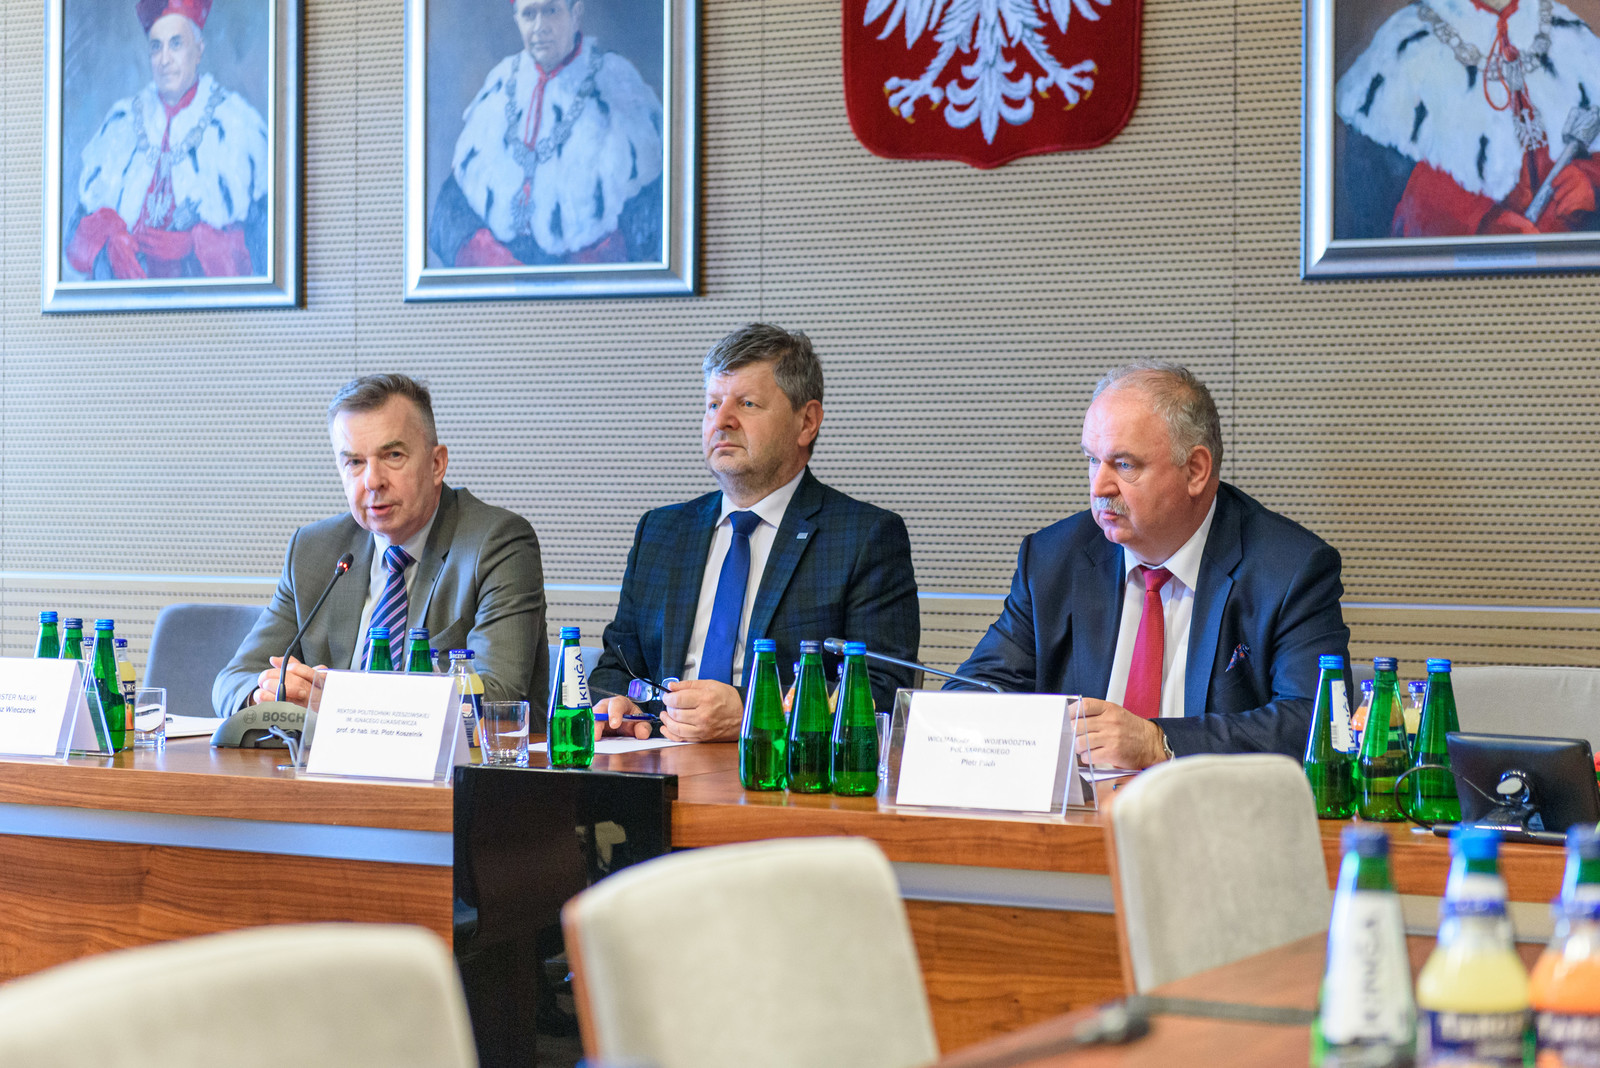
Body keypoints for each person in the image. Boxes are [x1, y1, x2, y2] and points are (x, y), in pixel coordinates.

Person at [949, 362, 1350, 769]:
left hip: (1213, 805)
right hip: (1081, 806)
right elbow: (972, 694)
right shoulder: (1054, 559)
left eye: (1125, 465)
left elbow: (1316, 722)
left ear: (1195, 470)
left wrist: (1159, 742)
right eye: (1092, 460)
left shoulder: (1289, 570)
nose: (1099, 487)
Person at [590, 324, 921, 742]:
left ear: (807, 422)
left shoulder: (864, 537)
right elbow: (616, 667)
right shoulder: (661, 532)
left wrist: (753, 711)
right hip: (655, 756)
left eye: (747, 404)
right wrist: (618, 705)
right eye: (713, 404)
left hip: (779, 767)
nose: (721, 420)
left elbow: (882, 692)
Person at [212, 374, 547, 715]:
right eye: (354, 462)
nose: (372, 481)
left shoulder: (497, 544)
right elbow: (234, 680)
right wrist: (272, 695)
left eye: (393, 455)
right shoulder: (314, 550)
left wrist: (339, 704)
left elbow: (496, 696)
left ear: (436, 464)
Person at [427, 0, 664, 267]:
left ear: (576, 14)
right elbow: (448, 217)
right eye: (529, 14)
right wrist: (490, 259)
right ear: (517, 20)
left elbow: (653, 215)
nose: (540, 27)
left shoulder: (617, 85)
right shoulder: (500, 84)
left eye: (551, 11)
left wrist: (594, 263)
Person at [1335, 0, 1600, 237]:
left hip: (1562, 264)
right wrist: (1478, 225)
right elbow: (1375, 195)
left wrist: (1590, 182)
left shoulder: (1571, 36)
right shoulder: (1407, 43)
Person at [66, 0, 269, 279]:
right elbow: (73, 243)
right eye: (155, 47)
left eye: (176, 44)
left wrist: (194, 244)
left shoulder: (236, 126)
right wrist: (109, 242)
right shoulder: (121, 123)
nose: (164, 59)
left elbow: (264, 252)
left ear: (198, 50)